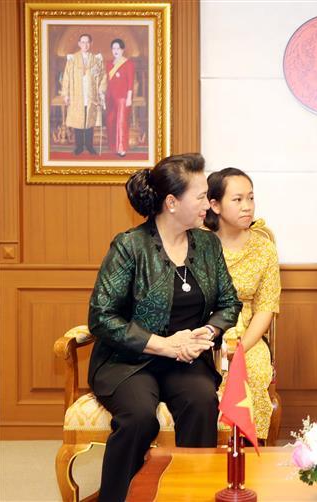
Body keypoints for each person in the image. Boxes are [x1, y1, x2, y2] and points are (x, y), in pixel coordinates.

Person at [88, 153, 242, 501]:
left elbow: (230, 303)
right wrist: (163, 344)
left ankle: (193, 494)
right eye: (201, 196)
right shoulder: (130, 246)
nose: (209, 204)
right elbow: (101, 316)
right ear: (172, 202)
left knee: (202, 402)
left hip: (186, 360)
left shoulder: (207, 245)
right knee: (140, 417)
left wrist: (208, 333)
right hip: (129, 362)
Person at [204, 168, 281, 442]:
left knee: (255, 370)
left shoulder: (264, 249)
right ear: (215, 204)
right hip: (202, 333)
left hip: (248, 334)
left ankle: (247, 449)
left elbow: (265, 307)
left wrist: (242, 347)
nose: (247, 207)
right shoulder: (199, 243)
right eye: (237, 200)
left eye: (250, 198)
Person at [61, 33, 107, 155]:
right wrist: (66, 94)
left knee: (89, 121)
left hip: (91, 95)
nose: (85, 44)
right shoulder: (72, 59)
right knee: (78, 121)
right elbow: (66, 77)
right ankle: (79, 146)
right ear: (79, 43)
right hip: (77, 94)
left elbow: (103, 76)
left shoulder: (96, 59)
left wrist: (101, 91)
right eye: (83, 42)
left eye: (87, 42)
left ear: (91, 44)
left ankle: (90, 145)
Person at [106, 38, 135, 157]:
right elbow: (108, 81)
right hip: (111, 97)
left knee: (121, 122)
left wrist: (129, 97)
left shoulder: (128, 64)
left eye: (118, 48)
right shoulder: (109, 64)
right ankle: (114, 146)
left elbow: (130, 82)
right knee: (111, 121)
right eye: (114, 48)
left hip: (123, 97)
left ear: (122, 50)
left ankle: (121, 148)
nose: (116, 50)